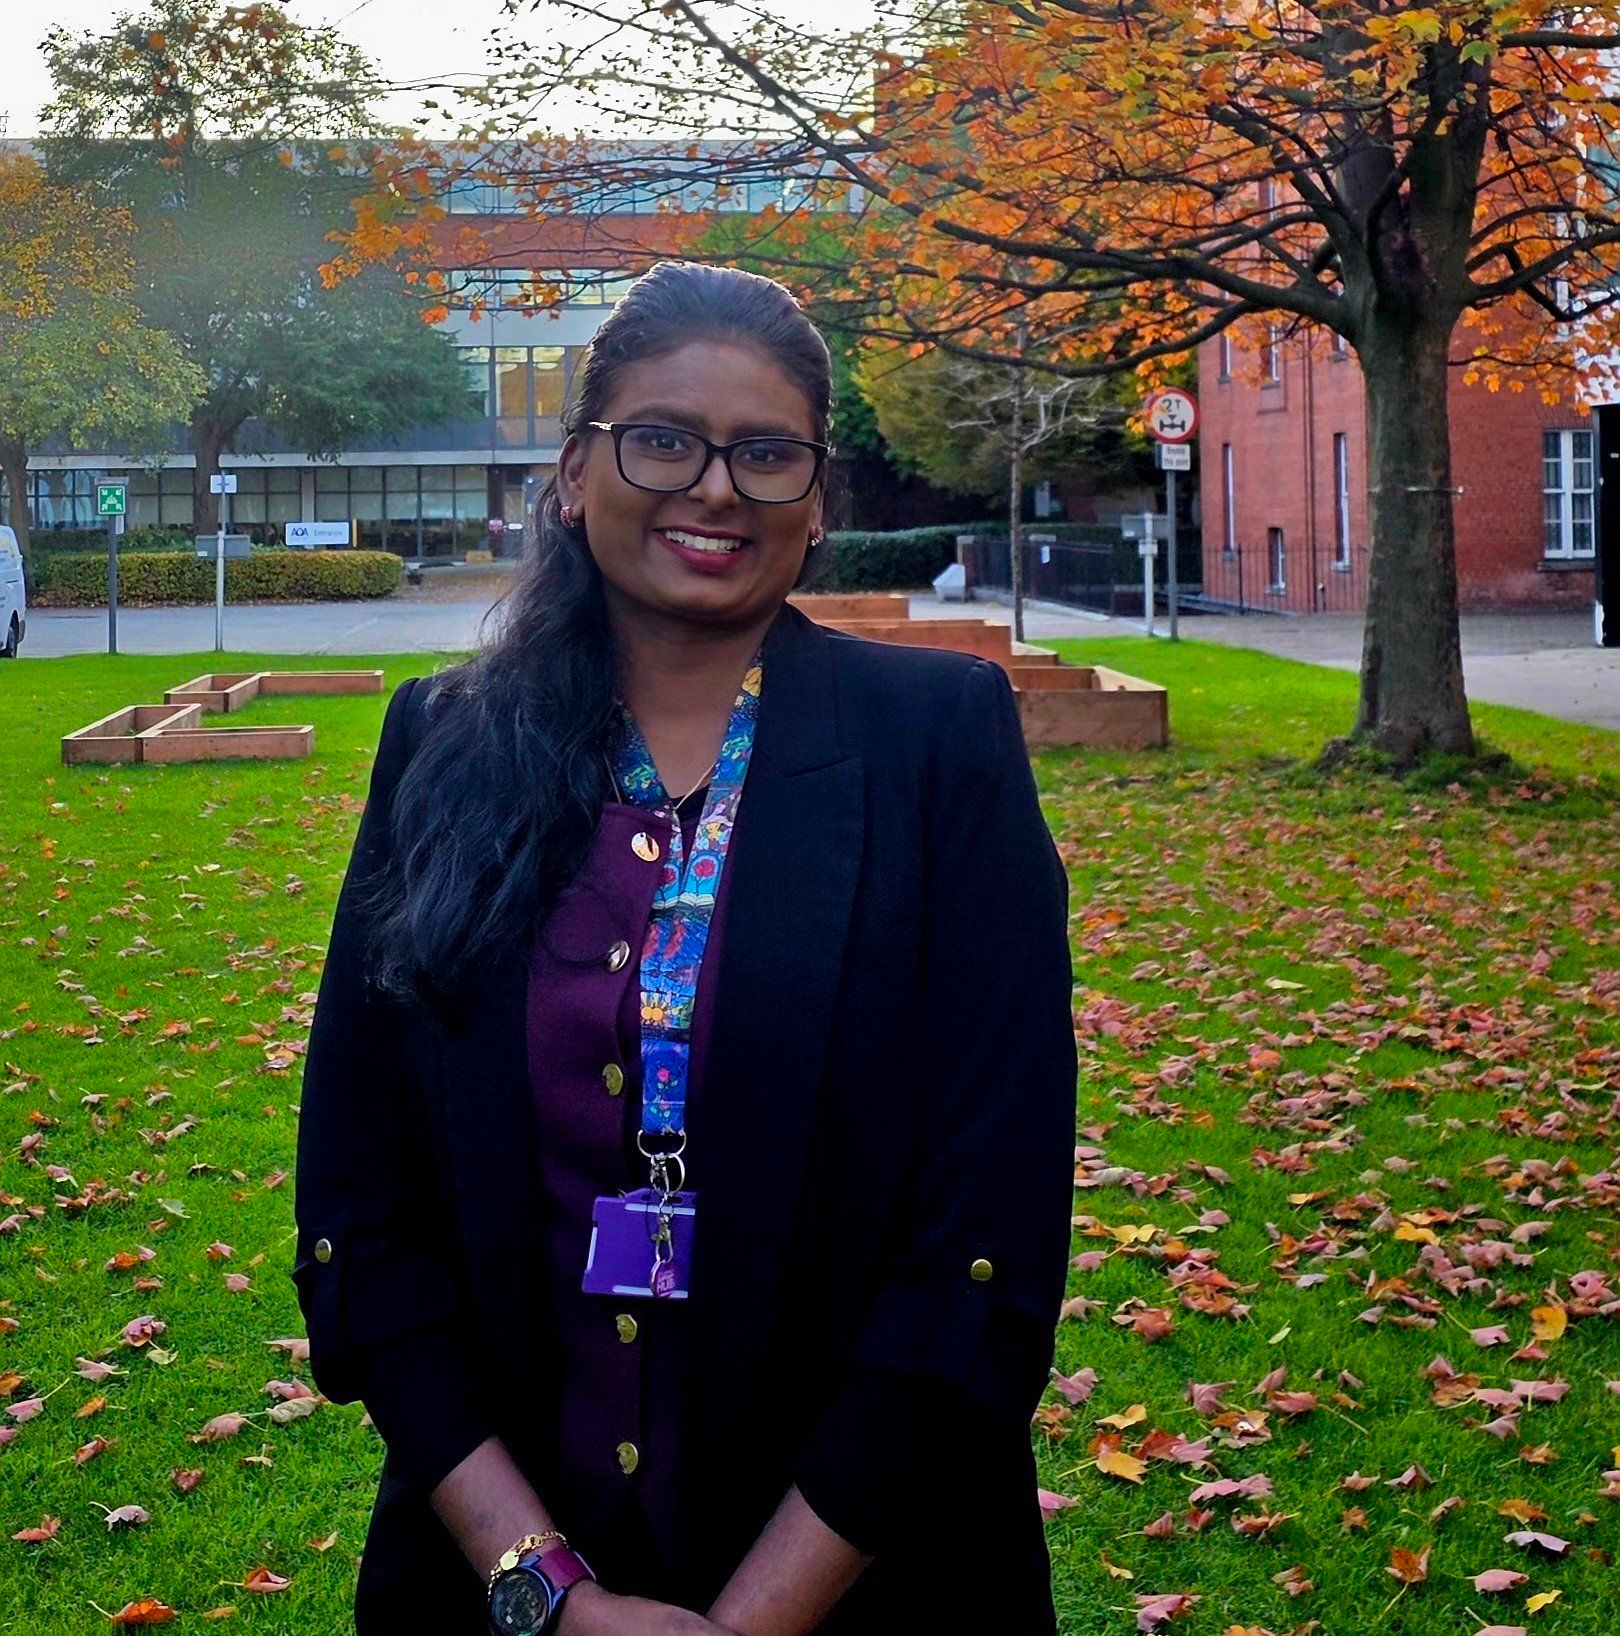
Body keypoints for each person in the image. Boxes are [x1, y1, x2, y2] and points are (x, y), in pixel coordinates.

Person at [291, 260, 1077, 1636]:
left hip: (877, 1576)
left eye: (767, 454)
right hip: (492, 1574)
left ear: (816, 499)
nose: (715, 489)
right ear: (573, 470)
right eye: (662, 440)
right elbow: (361, 1213)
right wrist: (544, 1591)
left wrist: (752, 1623)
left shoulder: (939, 742)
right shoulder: (443, 744)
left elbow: (985, 1243)